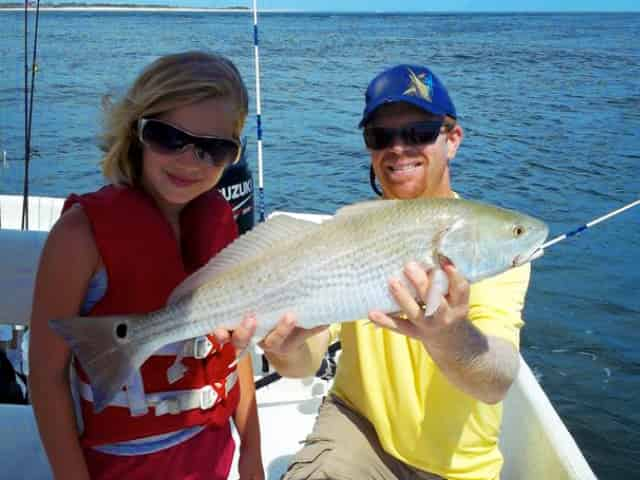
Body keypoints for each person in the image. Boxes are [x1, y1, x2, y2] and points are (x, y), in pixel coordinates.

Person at [258, 65, 532, 480]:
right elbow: (302, 363)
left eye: (420, 132)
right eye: (380, 137)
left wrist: (450, 337)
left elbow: (494, 382)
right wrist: (283, 349)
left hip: (456, 465)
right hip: (357, 427)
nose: (398, 149)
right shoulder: (348, 236)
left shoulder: (487, 246)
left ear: (452, 139)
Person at [29, 51, 264, 480]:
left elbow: (234, 351)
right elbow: (46, 378)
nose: (191, 161)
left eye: (213, 149)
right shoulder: (79, 239)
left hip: (213, 456)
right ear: (136, 131)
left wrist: (252, 452)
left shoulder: (222, 223)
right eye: (168, 137)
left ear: (233, 155)